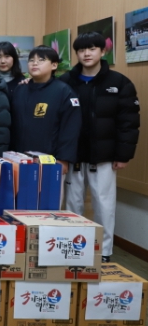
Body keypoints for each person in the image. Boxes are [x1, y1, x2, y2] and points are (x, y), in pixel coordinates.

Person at [60, 32, 140, 262]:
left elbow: (129, 122)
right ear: (76, 53)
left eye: (92, 48)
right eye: (81, 49)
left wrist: (123, 155)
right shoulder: (65, 82)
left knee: (104, 205)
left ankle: (104, 251)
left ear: (103, 51)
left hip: (104, 156)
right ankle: (74, 248)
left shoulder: (119, 83)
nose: (87, 53)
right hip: (72, 155)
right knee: (72, 205)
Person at [10, 45, 81, 176]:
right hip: (19, 158)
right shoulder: (20, 90)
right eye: (31, 60)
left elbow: (70, 130)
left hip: (50, 160)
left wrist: (63, 159)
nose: (34, 63)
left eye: (41, 60)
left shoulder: (64, 92)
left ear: (54, 65)